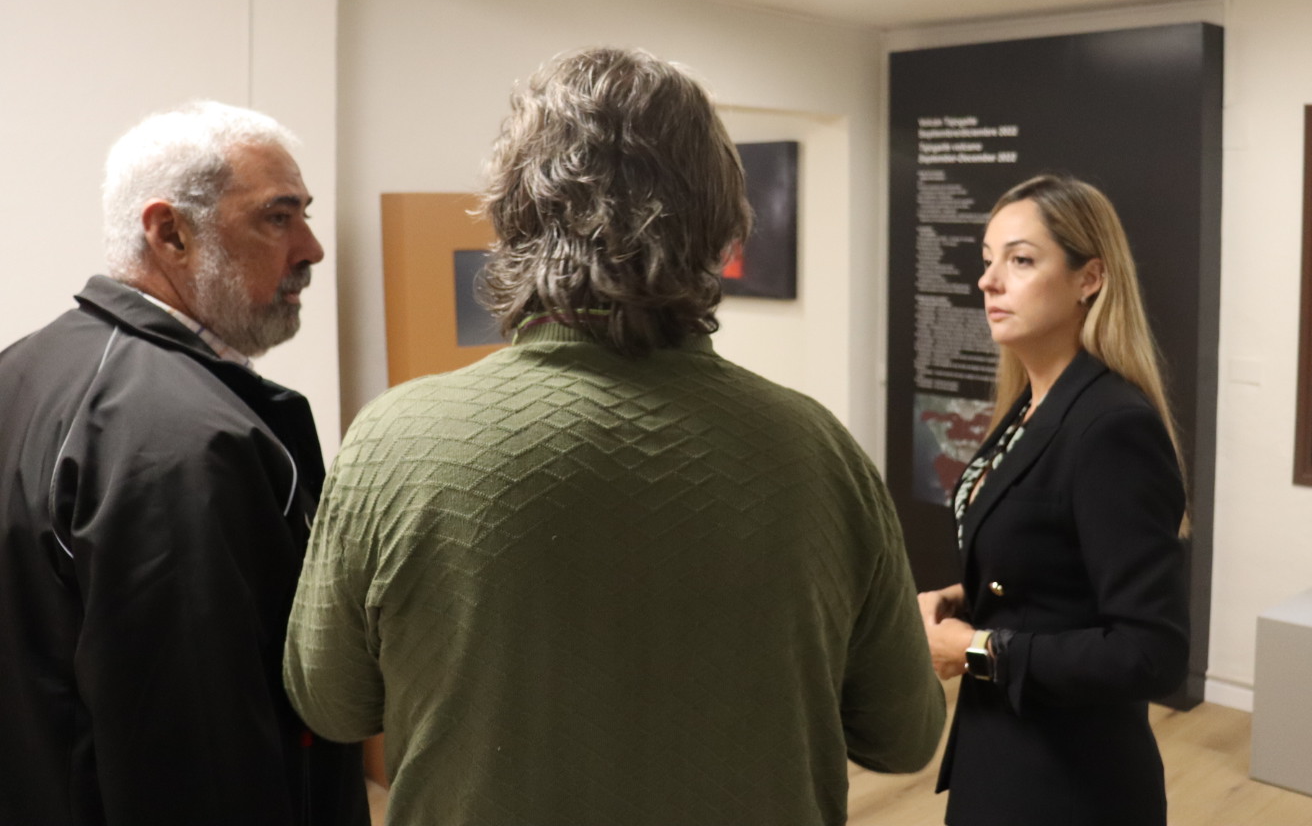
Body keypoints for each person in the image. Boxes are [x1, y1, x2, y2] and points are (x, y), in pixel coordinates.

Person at [283, 46, 944, 826]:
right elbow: (904, 737)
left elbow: (330, 701)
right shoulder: (819, 452)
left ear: (513, 216)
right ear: (723, 228)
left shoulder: (397, 439)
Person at [0, 103, 368, 826]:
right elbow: (200, 749)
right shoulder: (182, 439)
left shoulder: (23, 370)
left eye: (306, 215)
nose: (313, 249)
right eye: (278, 217)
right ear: (170, 233)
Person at [918, 174, 1190, 825]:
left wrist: (978, 647)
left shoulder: (1112, 425)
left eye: (1020, 259)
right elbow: (1051, 563)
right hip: (1005, 751)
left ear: (1088, 278)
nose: (988, 281)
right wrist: (968, 596)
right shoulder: (1029, 407)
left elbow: (1150, 653)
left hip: (1070, 783)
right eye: (987, 260)